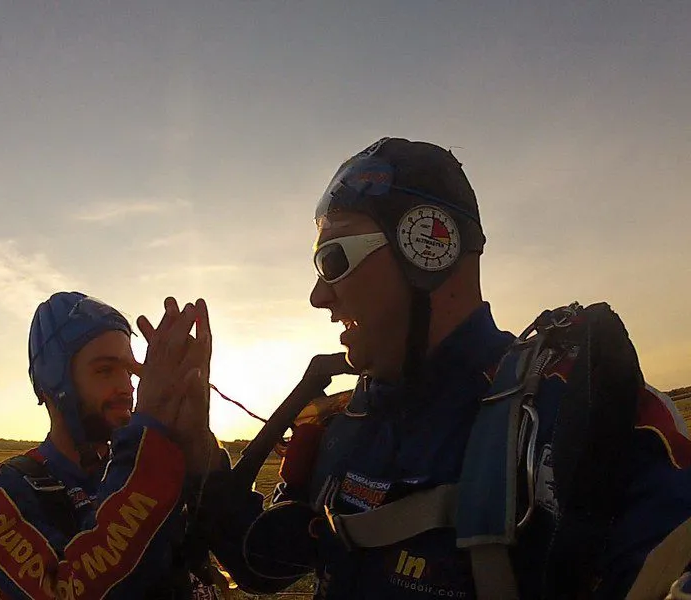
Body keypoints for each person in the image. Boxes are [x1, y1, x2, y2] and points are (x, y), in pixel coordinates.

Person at [195, 138, 691, 599]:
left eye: (334, 258)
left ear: (426, 247)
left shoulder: (579, 419)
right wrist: (195, 444)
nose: (319, 295)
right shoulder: (343, 425)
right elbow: (263, 564)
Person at [0, 291, 231, 599]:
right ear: (54, 382)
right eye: (105, 370)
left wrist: (200, 449)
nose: (127, 387)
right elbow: (67, 591)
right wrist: (150, 445)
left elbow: (255, 563)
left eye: (129, 370)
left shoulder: (161, 463)